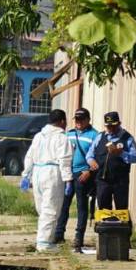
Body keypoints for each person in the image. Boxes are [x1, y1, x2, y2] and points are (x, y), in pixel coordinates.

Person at [19, 109, 72, 252]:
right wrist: (68, 179)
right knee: (51, 209)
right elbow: (65, 160)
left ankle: (45, 239)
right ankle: (44, 243)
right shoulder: (62, 138)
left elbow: (30, 156)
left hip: (37, 172)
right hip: (52, 173)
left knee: (42, 209)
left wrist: (26, 175)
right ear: (62, 121)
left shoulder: (38, 136)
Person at [52, 108, 100, 252]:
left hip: (82, 174)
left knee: (81, 207)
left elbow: (97, 158)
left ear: (88, 120)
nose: (78, 122)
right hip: (68, 174)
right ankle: (59, 234)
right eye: (76, 119)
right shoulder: (69, 134)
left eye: (81, 119)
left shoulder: (94, 135)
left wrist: (89, 172)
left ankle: (79, 238)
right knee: (64, 205)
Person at [86, 111, 136, 211]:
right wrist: (91, 161)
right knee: (103, 208)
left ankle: (121, 226)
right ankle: (105, 226)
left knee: (121, 208)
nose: (111, 129)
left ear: (119, 124)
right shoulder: (100, 136)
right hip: (102, 180)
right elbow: (90, 153)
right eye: (108, 126)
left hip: (120, 181)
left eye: (113, 126)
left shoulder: (127, 138)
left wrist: (120, 153)